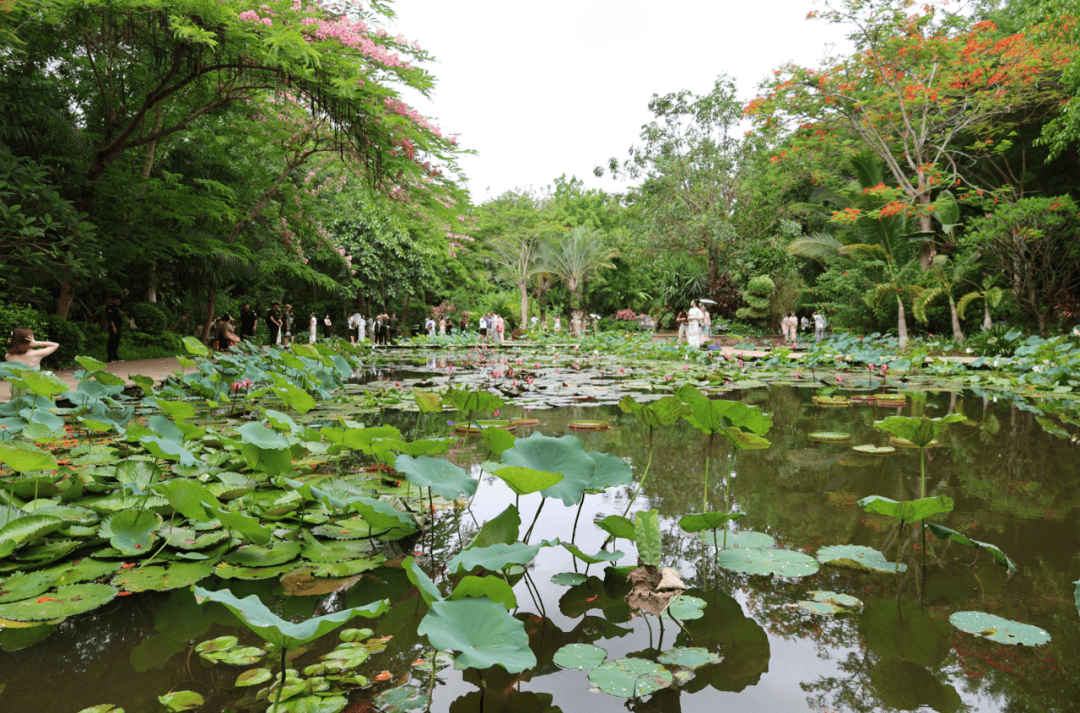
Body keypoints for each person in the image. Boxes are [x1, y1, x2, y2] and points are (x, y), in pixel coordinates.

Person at [105, 295, 123, 362]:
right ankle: (110, 358)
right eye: (118, 301)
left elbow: (115, 316)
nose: (119, 302)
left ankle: (115, 357)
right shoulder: (110, 306)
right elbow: (110, 318)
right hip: (113, 327)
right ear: (114, 300)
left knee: (116, 342)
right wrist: (113, 327)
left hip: (118, 326)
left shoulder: (116, 307)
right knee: (112, 342)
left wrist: (121, 315)